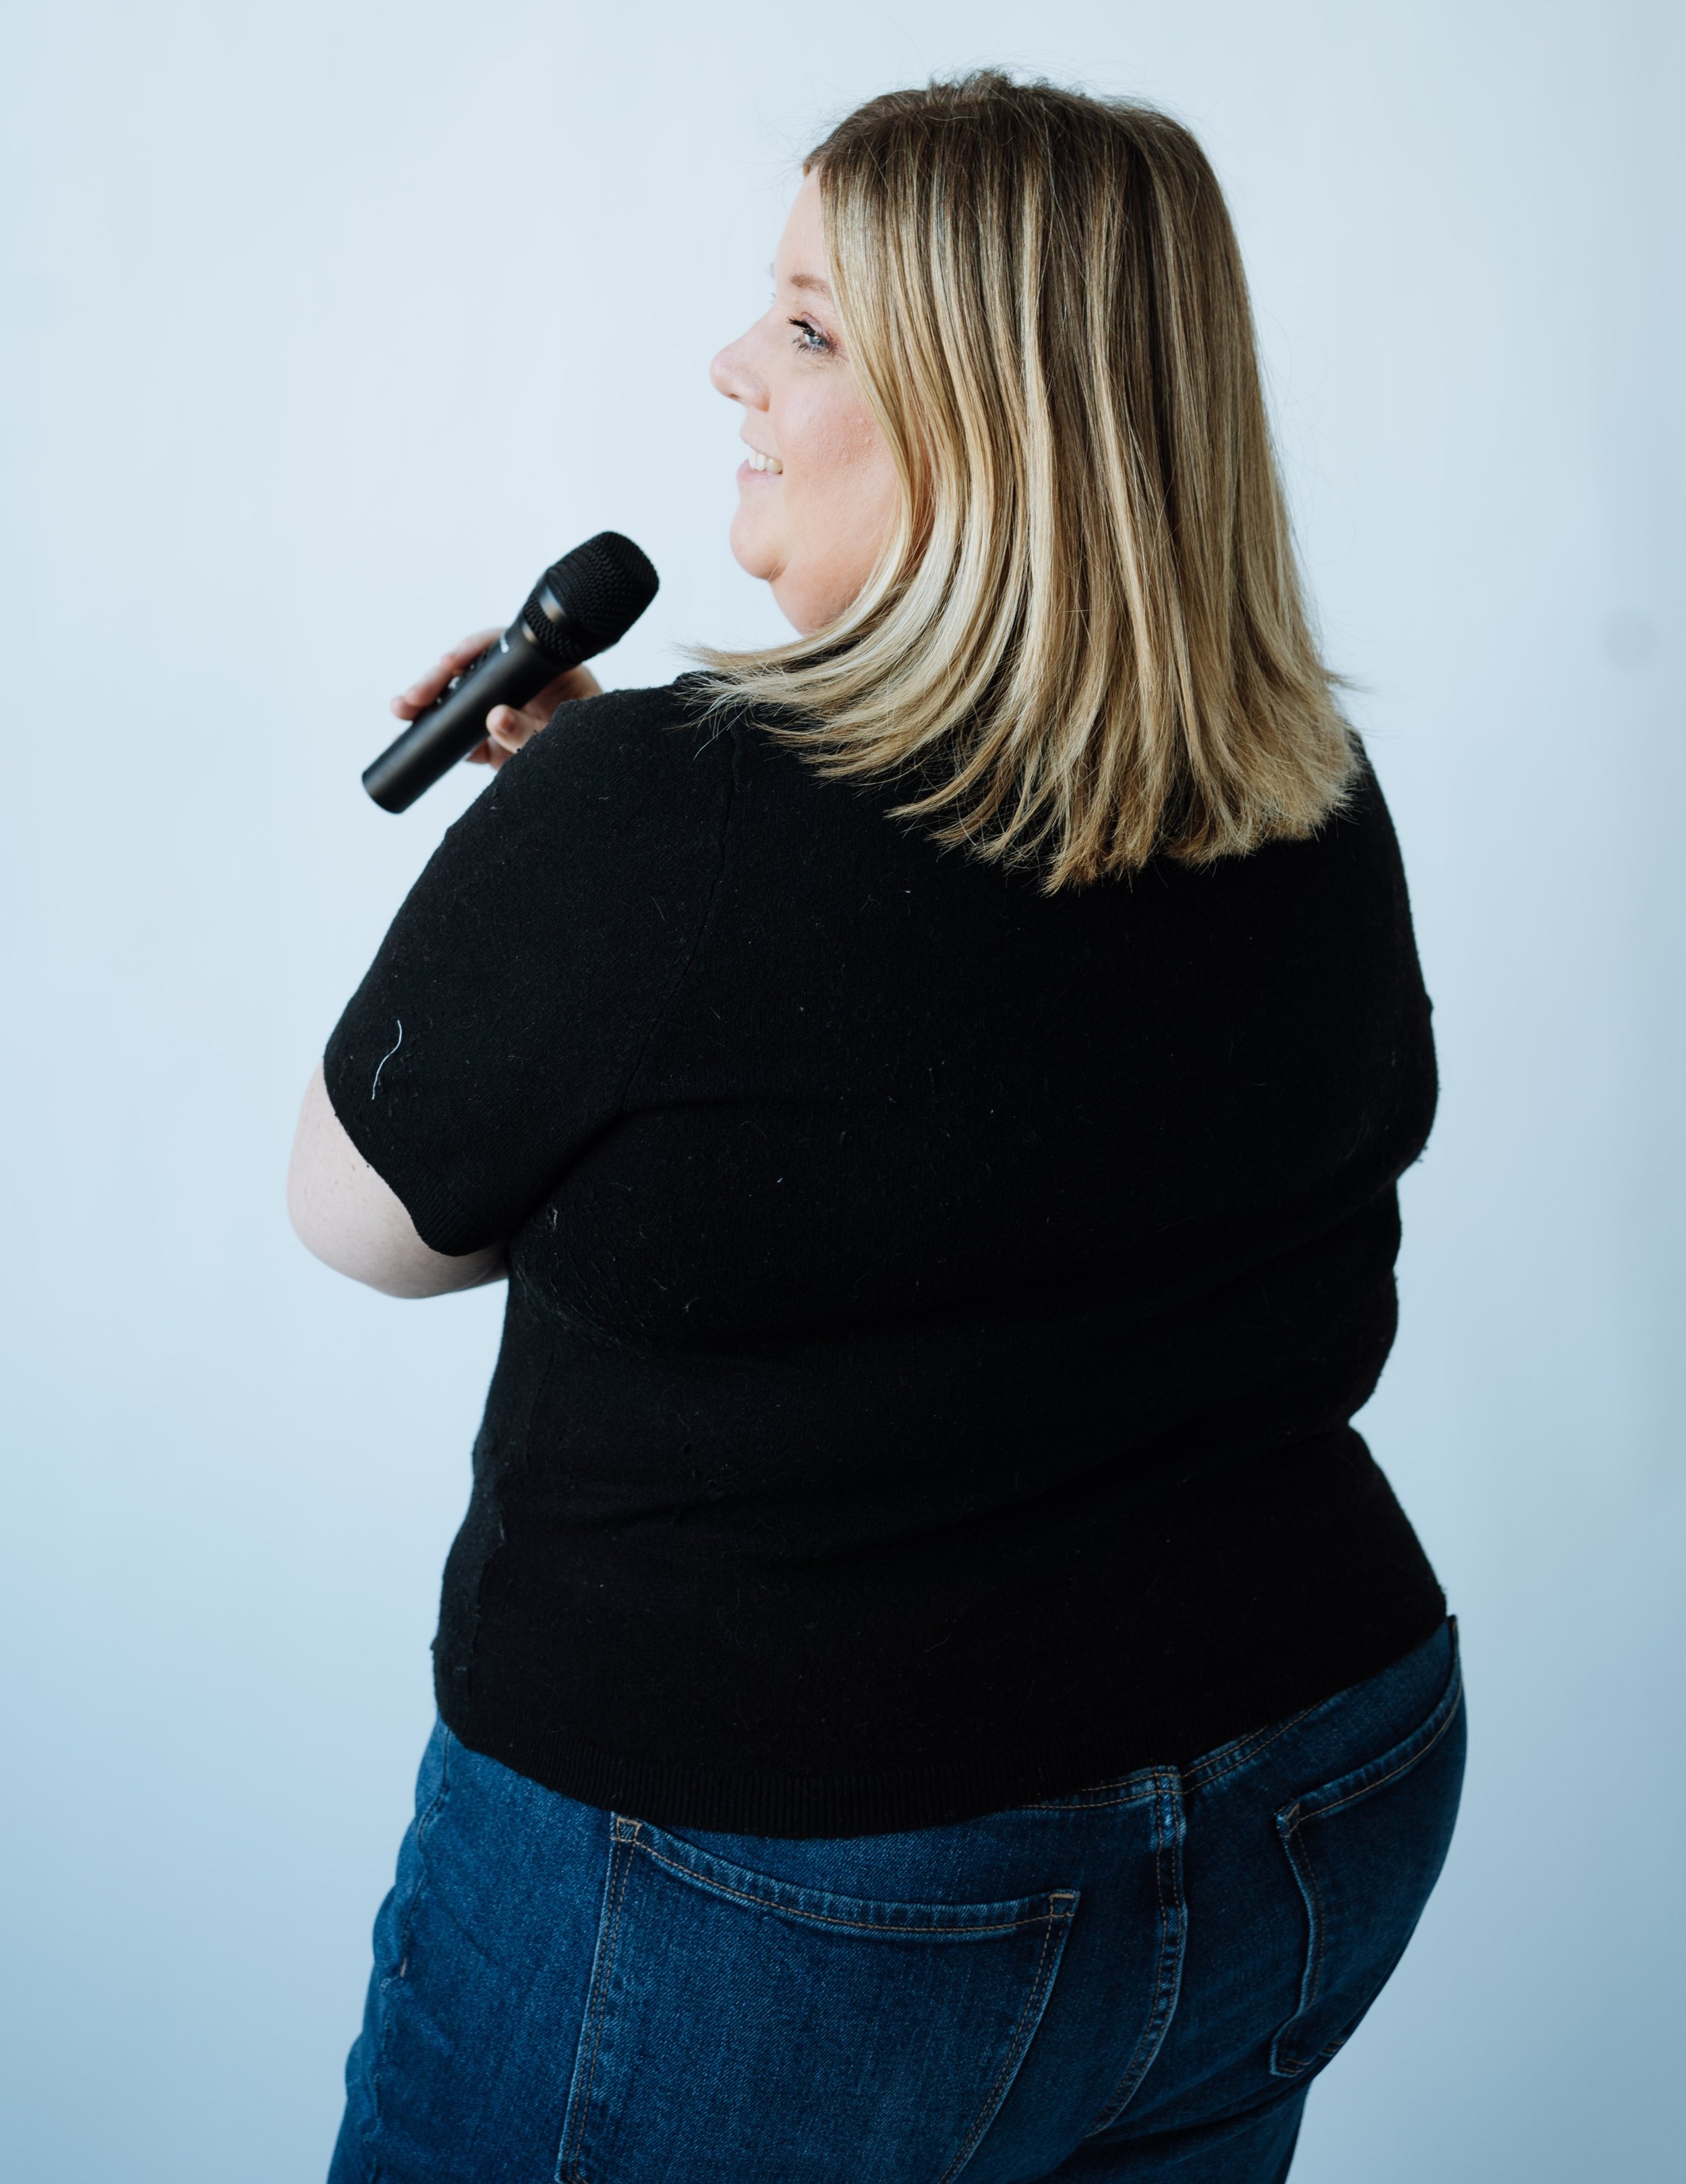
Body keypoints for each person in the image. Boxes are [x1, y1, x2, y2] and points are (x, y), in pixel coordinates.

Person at [289, 72, 1463, 2184]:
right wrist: (589, 872)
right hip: (1312, 1790)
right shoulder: (1299, 783)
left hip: (795, 1882)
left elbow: (367, 1220)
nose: (731, 365)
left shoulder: (660, 818)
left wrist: (559, 863)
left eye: (810, 325)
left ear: (997, 412)